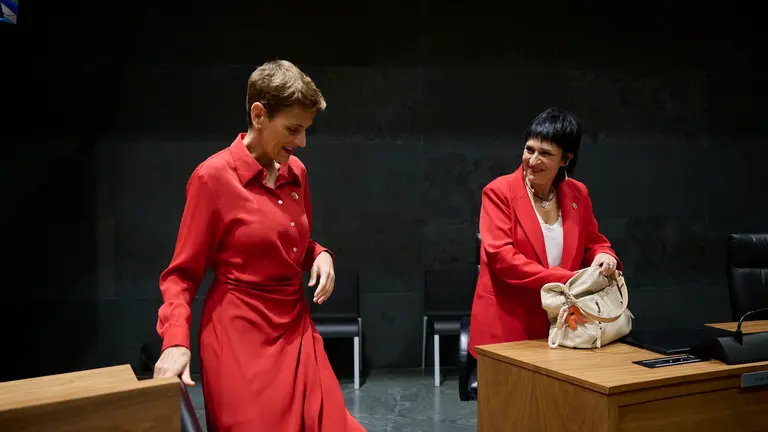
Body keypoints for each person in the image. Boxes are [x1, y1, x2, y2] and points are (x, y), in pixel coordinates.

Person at [152, 60, 366, 432]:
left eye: (305, 130)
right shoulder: (212, 178)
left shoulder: (296, 172)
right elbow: (181, 275)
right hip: (239, 339)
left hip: (296, 330)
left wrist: (320, 255)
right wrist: (175, 340)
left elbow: (292, 242)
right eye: (293, 129)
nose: (301, 142)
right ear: (258, 114)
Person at [469, 107, 622, 359]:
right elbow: (502, 259)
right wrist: (568, 280)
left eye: (545, 153)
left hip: (564, 327)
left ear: (566, 159)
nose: (533, 160)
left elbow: (595, 243)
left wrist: (605, 255)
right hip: (507, 329)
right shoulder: (498, 192)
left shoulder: (578, 194)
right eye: (530, 149)